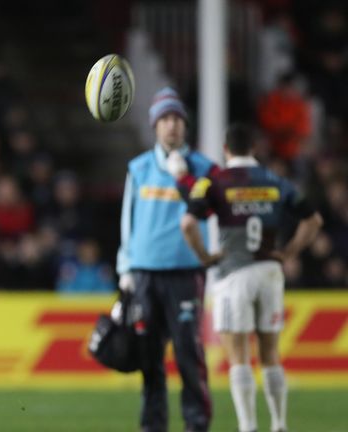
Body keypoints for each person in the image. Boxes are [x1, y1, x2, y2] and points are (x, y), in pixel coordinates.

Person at [181, 124, 322, 432]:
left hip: (234, 274)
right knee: (270, 353)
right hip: (270, 273)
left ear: (226, 150)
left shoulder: (214, 181)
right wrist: (289, 252)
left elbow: (188, 224)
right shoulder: (275, 181)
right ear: (254, 149)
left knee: (239, 356)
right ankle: (280, 424)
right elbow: (314, 220)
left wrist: (205, 257)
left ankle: (248, 427)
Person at [116, 87, 219, 432]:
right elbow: (128, 219)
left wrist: (183, 177)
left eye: (176, 119)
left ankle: (197, 425)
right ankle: (153, 426)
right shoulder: (139, 167)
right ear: (155, 126)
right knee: (150, 360)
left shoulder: (204, 168)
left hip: (186, 273)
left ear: (185, 126)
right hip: (144, 274)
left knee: (190, 357)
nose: (171, 125)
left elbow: (212, 215)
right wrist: (125, 268)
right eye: (164, 119)